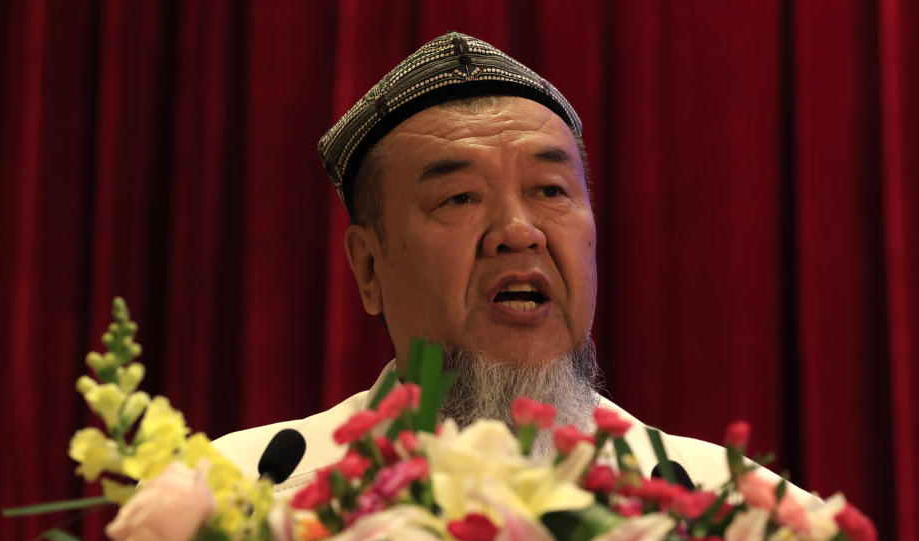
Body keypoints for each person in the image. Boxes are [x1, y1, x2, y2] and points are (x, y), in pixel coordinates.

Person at [215, 32, 804, 500]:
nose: (518, 232)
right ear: (369, 268)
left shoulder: (740, 519)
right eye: (459, 198)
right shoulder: (236, 502)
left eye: (550, 190)